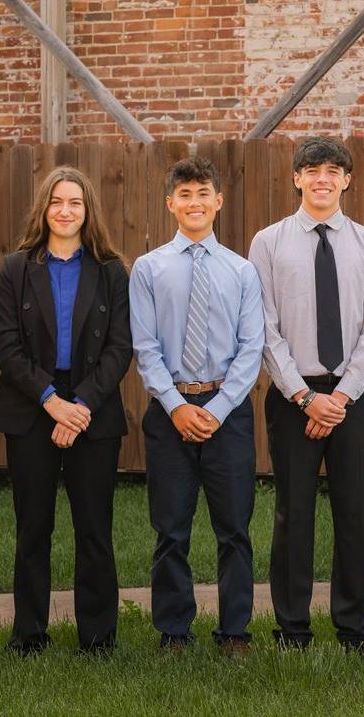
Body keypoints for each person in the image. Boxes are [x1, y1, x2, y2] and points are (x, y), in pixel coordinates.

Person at [248, 137, 364, 651]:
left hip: (353, 397)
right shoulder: (268, 243)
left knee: (355, 511)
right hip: (292, 397)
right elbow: (263, 328)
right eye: (312, 169)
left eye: (333, 169)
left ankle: (353, 627)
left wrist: (342, 398)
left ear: (347, 180)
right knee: (293, 512)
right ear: (296, 178)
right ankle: (292, 627)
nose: (322, 178)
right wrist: (305, 398)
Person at [0, 167, 133, 655]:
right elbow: (4, 344)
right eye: (56, 202)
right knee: (34, 526)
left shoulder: (111, 269)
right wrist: (52, 402)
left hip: (93, 406)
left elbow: (120, 346)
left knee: (94, 527)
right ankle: (29, 634)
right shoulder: (16, 268)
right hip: (32, 403)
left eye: (75, 202)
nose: (65, 210)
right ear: (43, 209)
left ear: (88, 210)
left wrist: (81, 404)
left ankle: (97, 636)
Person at [129, 156, 265, 655]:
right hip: (171, 411)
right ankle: (173, 630)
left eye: (203, 193)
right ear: (171, 204)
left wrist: (220, 407)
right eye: (184, 195)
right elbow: (145, 347)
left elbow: (252, 348)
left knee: (233, 529)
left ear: (218, 201)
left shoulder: (242, 271)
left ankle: (234, 630)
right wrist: (175, 406)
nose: (194, 203)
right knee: (170, 528)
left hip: (226, 413)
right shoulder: (148, 269)